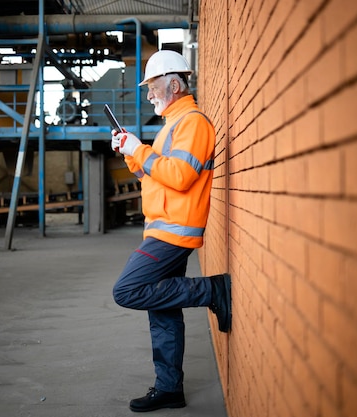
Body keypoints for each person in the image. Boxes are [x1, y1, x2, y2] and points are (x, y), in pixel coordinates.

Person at [110, 49, 232, 413]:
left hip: (173, 233)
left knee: (128, 290)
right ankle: (169, 389)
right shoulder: (171, 128)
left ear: (175, 85)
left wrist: (140, 149)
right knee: (162, 309)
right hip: (163, 229)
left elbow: (180, 177)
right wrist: (130, 151)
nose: (149, 95)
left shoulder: (193, 123)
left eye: (153, 88)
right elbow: (154, 172)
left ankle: (213, 289)